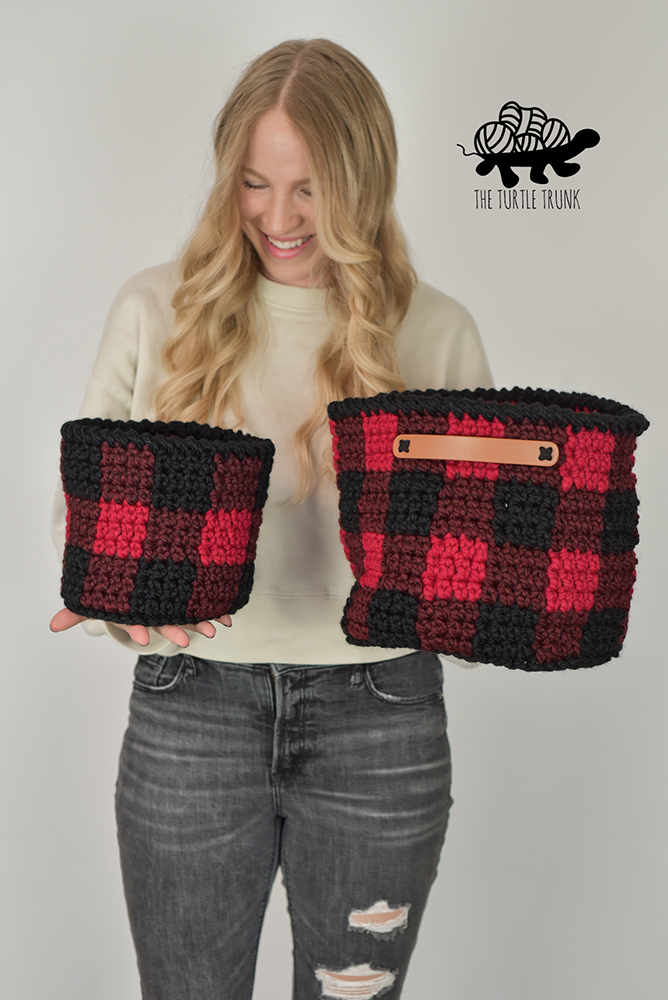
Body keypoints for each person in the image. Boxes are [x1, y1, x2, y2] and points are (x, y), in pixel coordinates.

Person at [51, 38, 492, 1000]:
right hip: (191, 709)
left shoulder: (437, 328)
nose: (280, 220)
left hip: (382, 722)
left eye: (310, 190)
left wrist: (506, 588)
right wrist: (112, 598)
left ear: (364, 179)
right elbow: (83, 514)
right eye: (254, 184)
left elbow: (469, 555)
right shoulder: (156, 307)